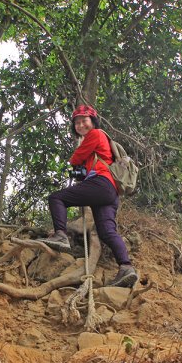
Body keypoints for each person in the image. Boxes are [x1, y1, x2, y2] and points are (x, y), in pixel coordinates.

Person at [38, 105, 138, 288]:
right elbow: (84, 170)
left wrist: (76, 163)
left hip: (101, 184)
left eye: (84, 120)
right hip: (110, 193)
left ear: (92, 121)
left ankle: (60, 235)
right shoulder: (99, 145)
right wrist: (81, 172)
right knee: (107, 232)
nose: (80, 124)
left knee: (56, 198)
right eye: (77, 122)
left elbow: (75, 159)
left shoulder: (96, 134)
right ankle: (126, 268)